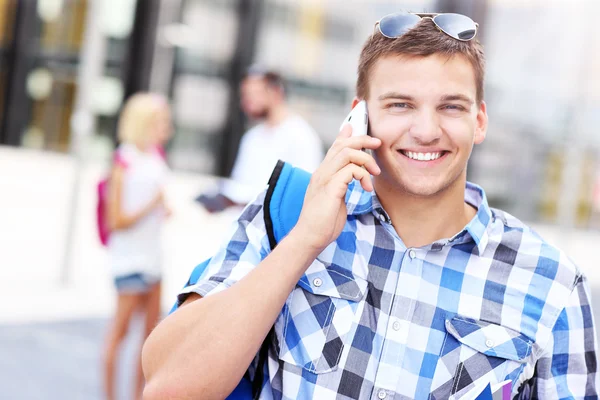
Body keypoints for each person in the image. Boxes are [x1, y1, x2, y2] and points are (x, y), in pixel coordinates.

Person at [141, 13, 599, 399]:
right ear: (359, 115)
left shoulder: (553, 284)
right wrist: (304, 241)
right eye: (400, 104)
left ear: (478, 120)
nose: (425, 130)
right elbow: (167, 387)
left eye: (451, 107)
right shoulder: (289, 216)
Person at [103, 93, 171, 400]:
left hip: (153, 261)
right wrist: (151, 205)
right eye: (160, 121)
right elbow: (115, 219)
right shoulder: (124, 160)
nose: (166, 127)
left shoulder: (156, 156)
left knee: (151, 341)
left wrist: (162, 208)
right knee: (119, 334)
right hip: (129, 262)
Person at [199, 66, 324, 212]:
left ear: (275, 92)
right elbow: (240, 184)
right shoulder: (251, 137)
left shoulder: (302, 136)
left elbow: (304, 192)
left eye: (252, 94)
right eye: (244, 96)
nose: (245, 103)